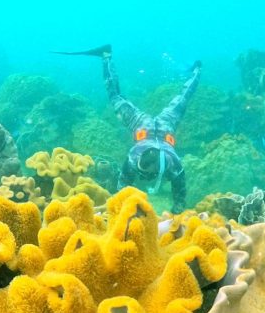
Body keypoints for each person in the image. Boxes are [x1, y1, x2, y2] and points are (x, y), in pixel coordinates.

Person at [58, 44, 201, 213]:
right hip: (152, 125)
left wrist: (176, 215)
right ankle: (106, 56)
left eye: (145, 173)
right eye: (140, 170)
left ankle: (197, 70)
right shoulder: (134, 158)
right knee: (178, 99)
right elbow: (122, 189)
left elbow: (179, 199)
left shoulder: (174, 165)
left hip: (154, 125)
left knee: (183, 98)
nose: (140, 174)